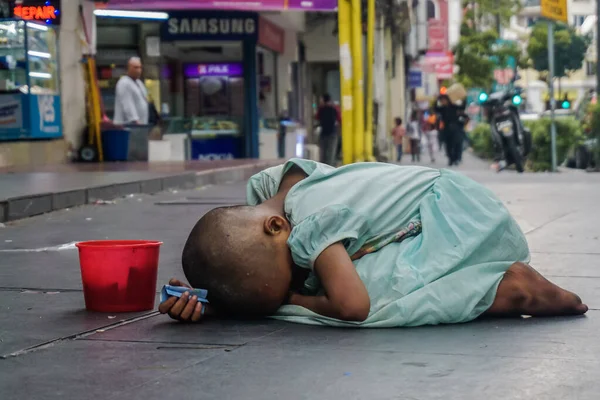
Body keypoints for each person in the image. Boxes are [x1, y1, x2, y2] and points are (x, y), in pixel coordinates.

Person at [158, 159, 588, 326]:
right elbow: (247, 267)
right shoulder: (278, 186)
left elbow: (352, 306)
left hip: (457, 225)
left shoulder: (309, 220)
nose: (299, 275)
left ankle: (504, 288)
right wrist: (217, 300)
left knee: (379, 299)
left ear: (275, 227)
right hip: (454, 208)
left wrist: (293, 301)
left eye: (290, 270)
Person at [113, 57, 150, 126]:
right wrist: (134, 120)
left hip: (142, 124)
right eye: (135, 67)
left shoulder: (139, 83)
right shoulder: (124, 83)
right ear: (128, 68)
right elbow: (127, 104)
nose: (139, 70)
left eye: (140, 67)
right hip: (128, 125)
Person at [435, 94, 465, 166]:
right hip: (446, 129)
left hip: (455, 128)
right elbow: (435, 108)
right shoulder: (442, 108)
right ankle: (450, 159)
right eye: (442, 100)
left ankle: (456, 158)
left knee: (456, 144)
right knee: (448, 145)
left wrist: (463, 98)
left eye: (444, 100)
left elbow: (462, 107)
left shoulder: (454, 107)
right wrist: (436, 100)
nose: (443, 101)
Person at [315, 94, 340, 166]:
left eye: (321, 99)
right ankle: (330, 170)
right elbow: (339, 119)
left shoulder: (321, 109)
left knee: (323, 155)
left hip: (324, 134)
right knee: (331, 155)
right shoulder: (335, 108)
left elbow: (316, 117)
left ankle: (323, 170)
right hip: (332, 134)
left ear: (323, 100)